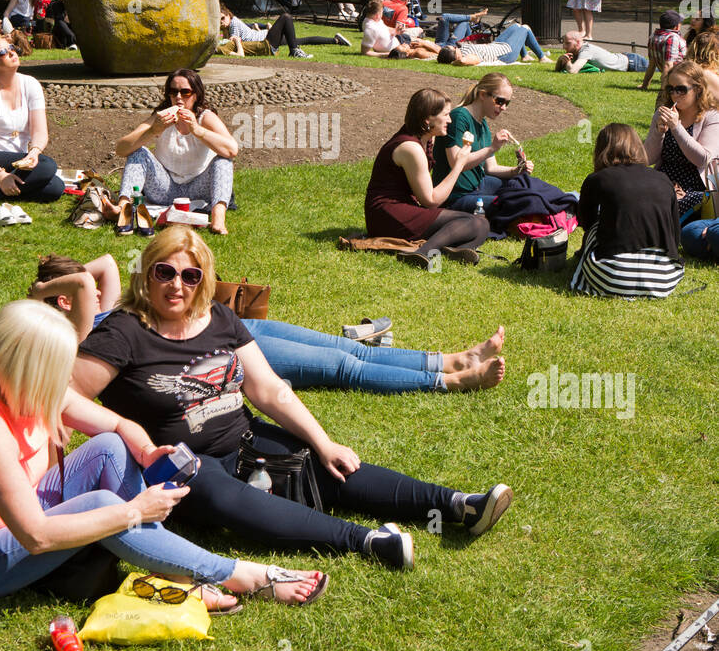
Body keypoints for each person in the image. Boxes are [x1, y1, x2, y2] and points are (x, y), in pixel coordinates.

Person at [70, 226, 513, 570]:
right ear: (146, 273)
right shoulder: (124, 331)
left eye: (190, 275)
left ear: (204, 280)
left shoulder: (219, 318)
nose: (176, 286)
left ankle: (458, 504)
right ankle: (366, 542)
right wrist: (123, 430)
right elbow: (63, 393)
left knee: (330, 467)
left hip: (242, 440)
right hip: (180, 462)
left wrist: (323, 442)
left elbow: (267, 389)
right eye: (164, 272)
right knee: (226, 499)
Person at [0, 299, 326, 608]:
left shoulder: (21, 387)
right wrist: (135, 511)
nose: (67, 377)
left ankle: (169, 566)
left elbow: (118, 425)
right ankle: (241, 576)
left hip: (14, 523)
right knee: (108, 506)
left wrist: (145, 451)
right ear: (31, 367)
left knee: (110, 448)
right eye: (59, 367)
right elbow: (35, 536)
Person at [33, 253, 507, 394]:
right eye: (82, 290)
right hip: (224, 351)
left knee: (353, 350)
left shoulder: (104, 304)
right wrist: (41, 296)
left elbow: (108, 263)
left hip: (233, 325)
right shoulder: (79, 333)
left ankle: (449, 358)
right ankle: (448, 382)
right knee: (345, 369)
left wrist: (66, 282)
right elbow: (83, 283)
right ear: (63, 298)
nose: (97, 290)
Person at [365, 87, 492, 264]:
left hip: (406, 207)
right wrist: (459, 165)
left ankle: (450, 250)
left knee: (482, 223)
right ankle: (423, 252)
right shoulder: (411, 148)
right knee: (472, 222)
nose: (450, 119)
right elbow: (430, 200)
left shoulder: (426, 138)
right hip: (387, 214)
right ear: (427, 119)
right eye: (446, 115)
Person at [112, 68, 238, 236]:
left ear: (196, 95)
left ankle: (218, 218)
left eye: (185, 92)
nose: (178, 97)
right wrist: (152, 131)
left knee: (223, 161)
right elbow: (121, 149)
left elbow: (231, 149)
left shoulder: (205, 117)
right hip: (165, 187)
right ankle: (123, 209)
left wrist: (197, 130)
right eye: (173, 92)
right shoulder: (161, 117)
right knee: (138, 152)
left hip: (198, 187)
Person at [570, 124, 683, 298]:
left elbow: (586, 221)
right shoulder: (663, 179)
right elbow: (674, 232)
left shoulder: (598, 179)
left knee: (596, 227)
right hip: (663, 279)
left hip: (610, 278)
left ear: (601, 150)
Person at [0, 35, 64, 204]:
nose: (12, 53)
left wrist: (34, 153)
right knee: (48, 166)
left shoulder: (31, 85)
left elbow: (40, 132)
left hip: (19, 163)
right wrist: (1, 175)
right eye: (3, 52)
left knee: (56, 188)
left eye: (12, 48)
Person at [431, 72, 532, 213]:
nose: (504, 107)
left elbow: (491, 168)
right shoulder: (459, 117)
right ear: (483, 95)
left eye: (507, 103)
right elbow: (456, 163)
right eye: (500, 101)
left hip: (478, 186)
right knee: (518, 202)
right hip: (457, 196)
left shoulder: (482, 122)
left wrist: (516, 171)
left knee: (524, 185)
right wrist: (492, 148)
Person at [644, 62, 719, 224]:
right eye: (670, 89)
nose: (674, 94)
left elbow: (703, 159)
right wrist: (659, 133)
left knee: (661, 208)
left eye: (681, 89)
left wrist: (676, 127)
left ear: (698, 89)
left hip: (695, 188)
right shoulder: (663, 113)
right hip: (663, 181)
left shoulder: (712, 116)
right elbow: (648, 159)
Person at [218, 6, 349, 60]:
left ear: (229, 15)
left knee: (286, 17)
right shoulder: (227, 27)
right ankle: (335, 40)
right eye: (219, 20)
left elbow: (235, 41)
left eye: (223, 18)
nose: (221, 22)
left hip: (266, 38)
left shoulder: (234, 23)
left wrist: (265, 27)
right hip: (266, 39)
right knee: (301, 40)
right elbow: (247, 28)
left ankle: (294, 51)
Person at [436, 22, 551, 65]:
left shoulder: (462, 50)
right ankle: (542, 57)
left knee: (516, 26)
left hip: (496, 45)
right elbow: (466, 61)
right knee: (525, 28)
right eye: (452, 47)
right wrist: (457, 61)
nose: (452, 46)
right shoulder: (466, 56)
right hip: (505, 53)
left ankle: (525, 56)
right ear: (455, 54)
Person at [360, 0, 439, 60]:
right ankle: (445, 54)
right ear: (377, 15)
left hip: (400, 39)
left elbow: (385, 29)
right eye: (381, 12)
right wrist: (386, 54)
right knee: (421, 50)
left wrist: (395, 31)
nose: (382, 14)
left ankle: (444, 50)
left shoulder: (375, 20)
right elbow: (365, 52)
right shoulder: (370, 29)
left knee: (426, 43)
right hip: (400, 48)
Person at [555, 30, 648, 74]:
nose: (564, 46)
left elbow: (572, 70)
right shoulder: (577, 51)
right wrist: (560, 61)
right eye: (564, 43)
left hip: (634, 63)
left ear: (578, 42)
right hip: (627, 58)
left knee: (660, 68)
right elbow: (558, 70)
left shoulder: (586, 50)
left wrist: (567, 61)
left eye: (568, 43)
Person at [641, 9, 687, 91]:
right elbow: (668, 65)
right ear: (676, 26)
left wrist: (645, 84)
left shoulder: (653, 37)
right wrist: (664, 89)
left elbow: (652, 64)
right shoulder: (672, 38)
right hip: (682, 76)